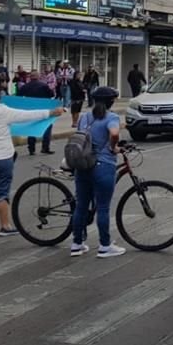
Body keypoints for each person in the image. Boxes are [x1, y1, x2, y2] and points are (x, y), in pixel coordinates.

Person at [0, 87, 63, 236]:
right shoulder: (3, 111)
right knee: (1, 192)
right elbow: (27, 115)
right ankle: (5, 226)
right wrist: (51, 112)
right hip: (2, 157)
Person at [68, 87, 125, 258]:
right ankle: (105, 246)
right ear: (110, 102)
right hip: (103, 165)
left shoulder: (84, 117)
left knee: (81, 206)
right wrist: (113, 147)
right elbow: (114, 133)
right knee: (103, 207)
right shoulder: (111, 117)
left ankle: (77, 244)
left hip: (83, 165)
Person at [18, 71, 55, 155]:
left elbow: (19, 96)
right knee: (47, 127)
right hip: (43, 109)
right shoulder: (44, 85)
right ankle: (45, 148)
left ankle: (31, 149)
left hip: (31, 110)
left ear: (30, 77)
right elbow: (51, 94)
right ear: (38, 77)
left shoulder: (25, 86)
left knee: (32, 128)